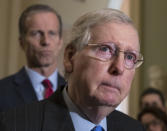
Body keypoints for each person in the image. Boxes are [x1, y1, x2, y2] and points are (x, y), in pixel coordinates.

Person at [0, 8, 144, 131]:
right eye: (105, 49)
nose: (118, 68)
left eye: (130, 57)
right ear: (70, 57)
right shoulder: (14, 125)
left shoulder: (136, 129)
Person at [0, 4, 66, 112]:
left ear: (60, 42)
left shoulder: (75, 93)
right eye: (36, 33)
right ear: (21, 42)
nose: (45, 41)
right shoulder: (2, 91)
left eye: (52, 33)